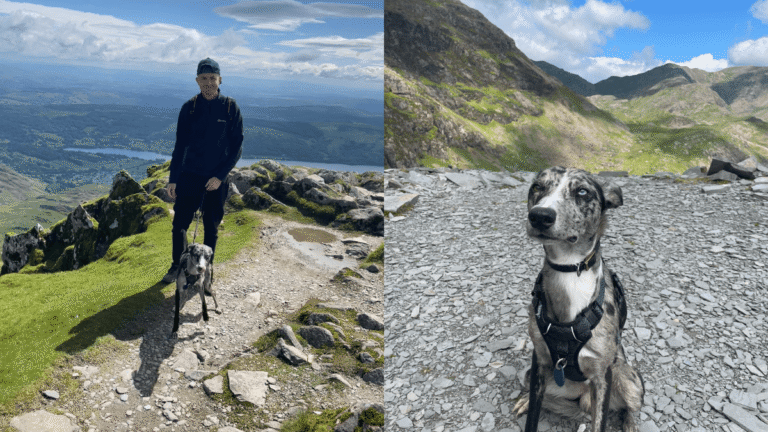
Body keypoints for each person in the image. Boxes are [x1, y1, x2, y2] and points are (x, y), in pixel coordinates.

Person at [162, 58, 244, 283]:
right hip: (189, 176)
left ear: (220, 80)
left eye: (212, 78)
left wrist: (220, 176)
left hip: (216, 179)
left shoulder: (230, 108)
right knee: (179, 225)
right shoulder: (189, 108)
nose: (208, 83)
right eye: (204, 78)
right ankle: (178, 266)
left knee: (211, 227)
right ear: (197, 81)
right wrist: (173, 179)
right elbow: (180, 146)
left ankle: (204, 271)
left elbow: (237, 148)